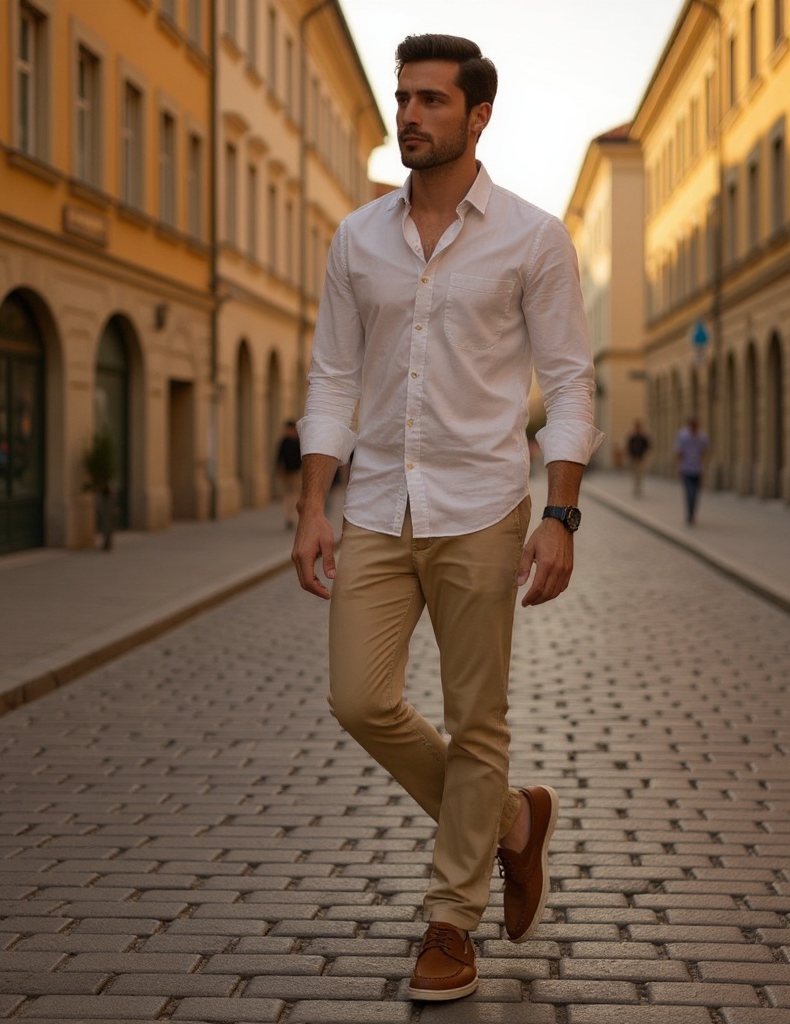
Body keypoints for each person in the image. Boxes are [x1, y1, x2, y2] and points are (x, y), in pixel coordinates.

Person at [291, 34, 602, 1003]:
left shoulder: (531, 236)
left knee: (478, 717)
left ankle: (449, 920)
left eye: (430, 100)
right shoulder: (357, 238)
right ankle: (510, 817)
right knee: (358, 698)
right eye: (402, 98)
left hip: (480, 504)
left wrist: (560, 513)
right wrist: (313, 501)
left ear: (477, 116)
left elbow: (569, 380)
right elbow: (333, 375)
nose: (409, 114)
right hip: (378, 500)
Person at [674, 415, 709, 524]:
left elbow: (706, 452)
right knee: (689, 492)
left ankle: (692, 513)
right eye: (692, 425)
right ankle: (689, 514)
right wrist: (678, 467)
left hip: (698, 469)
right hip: (686, 469)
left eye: (695, 425)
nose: (694, 427)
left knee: (695, 493)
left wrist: (705, 466)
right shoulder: (683, 436)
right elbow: (678, 452)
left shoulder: (702, 436)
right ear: (689, 425)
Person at [275, 420, 302, 528]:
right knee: (287, 495)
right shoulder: (284, 442)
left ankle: (293, 517)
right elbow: (278, 457)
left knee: (295, 495)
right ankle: (288, 517)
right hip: (286, 473)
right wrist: (279, 470)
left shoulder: (297, 442)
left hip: (296, 473)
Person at [626, 420, 651, 497]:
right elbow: (629, 447)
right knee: (635, 473)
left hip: (641, 458)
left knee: (639, 473)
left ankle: (638, 486)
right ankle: (636, 486)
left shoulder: (643, 437)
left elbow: (647, 447)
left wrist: (646, 456)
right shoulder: (633, 437)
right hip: (634, 458)